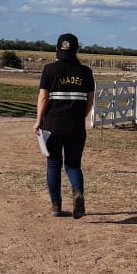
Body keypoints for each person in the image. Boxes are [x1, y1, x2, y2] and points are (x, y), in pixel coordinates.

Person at [33, 33, 95, 219]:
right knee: (73, 165)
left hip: (53, 125)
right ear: (76, 50)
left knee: (53, 164)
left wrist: (38, 120)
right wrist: (80, 117)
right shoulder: (86, 72)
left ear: (58, 49)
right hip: (76, 126)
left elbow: (44, 97)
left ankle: (56, 206)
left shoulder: (49, 69)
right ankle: (77, 192)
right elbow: (90, 100)